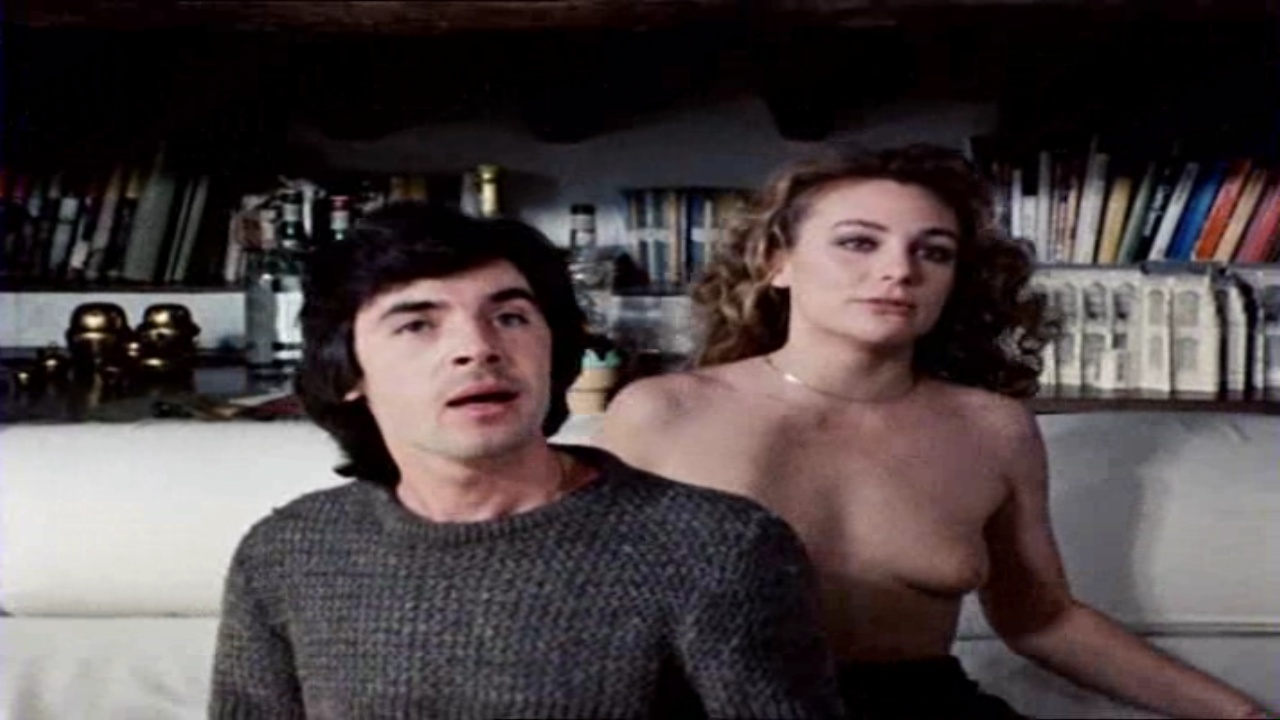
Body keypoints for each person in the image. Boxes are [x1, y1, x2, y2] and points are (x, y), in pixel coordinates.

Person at [599, 144, 1274, 719]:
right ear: (778, 261)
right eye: (858, 242)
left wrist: (1242, 715)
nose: (899, 270)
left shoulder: (993, 429)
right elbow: (589, 618)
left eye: (934, 251)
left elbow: (1042, 619)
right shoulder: (662, 413)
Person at [208, 201, 846, 718]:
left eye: (510, 317)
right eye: (417, 325)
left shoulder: (718, 547)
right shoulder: (287, 553)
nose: (476, 348)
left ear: (552, 348)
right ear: (348, 373)